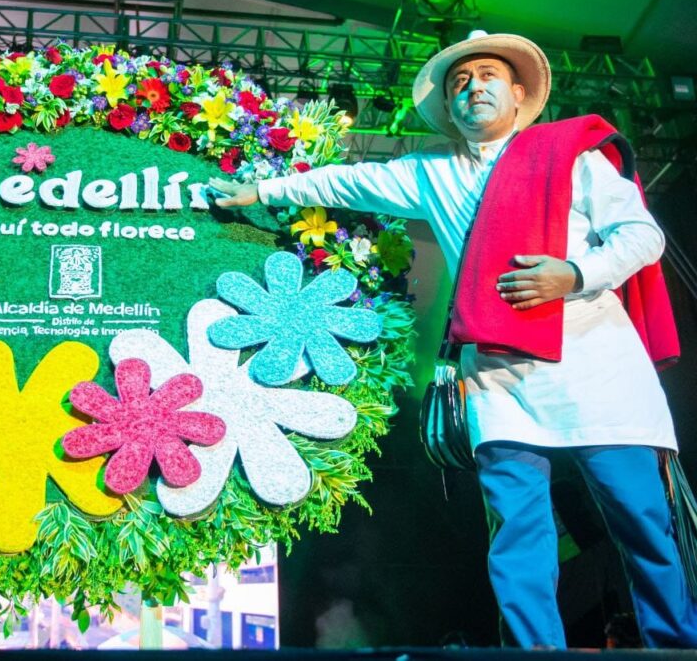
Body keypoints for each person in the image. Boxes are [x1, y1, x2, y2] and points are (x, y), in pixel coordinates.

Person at [210, 31, 697, 649]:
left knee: (643, 525)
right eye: (460, 83)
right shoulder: (431, 172)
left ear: (519, 93)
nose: (473, 88)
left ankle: (676, 646)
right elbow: (340, 183)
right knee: (517, 533)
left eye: (488, 75)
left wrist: (571, 274)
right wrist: (265, 191)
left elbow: (639, 237)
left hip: (598, 366)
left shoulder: (573, 156)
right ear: (450, 106)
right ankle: (532, 651)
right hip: (499, 377)